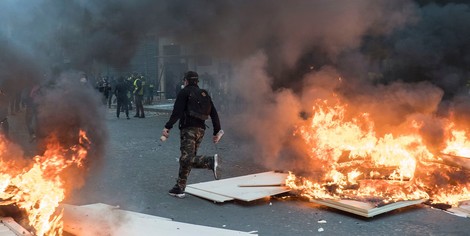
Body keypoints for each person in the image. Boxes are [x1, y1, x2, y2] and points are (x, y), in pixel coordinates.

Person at [162, 70, 224, 198]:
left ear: (186, 80)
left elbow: (177, 112)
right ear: (197, 81)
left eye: (184, 80)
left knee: (186, 158)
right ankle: (179, 188)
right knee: (188, 159)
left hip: (188, 129)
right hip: (201, 130)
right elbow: (214, 113)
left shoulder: (184, 92)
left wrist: (168, 126)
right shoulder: (204, 93)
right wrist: (217, 131)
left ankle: (210, 161)